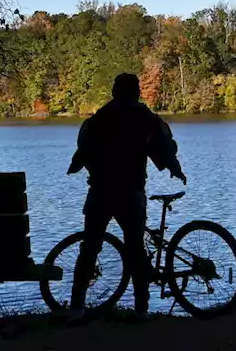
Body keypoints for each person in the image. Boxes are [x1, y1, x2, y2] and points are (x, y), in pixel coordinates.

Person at [66, 72, 186, 315]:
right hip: (131, 193)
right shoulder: (145, 118)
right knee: (135, 249)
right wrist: (175, 168)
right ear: (137, 92)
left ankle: (77, 306)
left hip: (100, 191)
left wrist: (78, 165)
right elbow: (163, 147)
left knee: (90, 246)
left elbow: (83, 149)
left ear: (114, 91)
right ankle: (141, 308)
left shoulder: (100, 118)